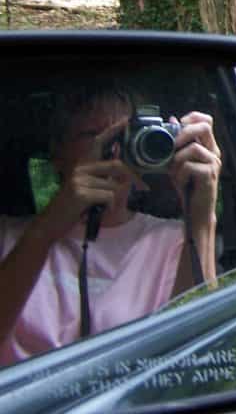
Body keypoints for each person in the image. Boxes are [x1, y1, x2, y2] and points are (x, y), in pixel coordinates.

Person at [0, 84, 221, 366]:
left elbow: (199, 358)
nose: (114, 148)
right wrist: (46, 229)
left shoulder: (176, 241)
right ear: (58, 154)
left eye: (126, 135)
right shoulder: (10, 236)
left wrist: (201, 218)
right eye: (94, 135)